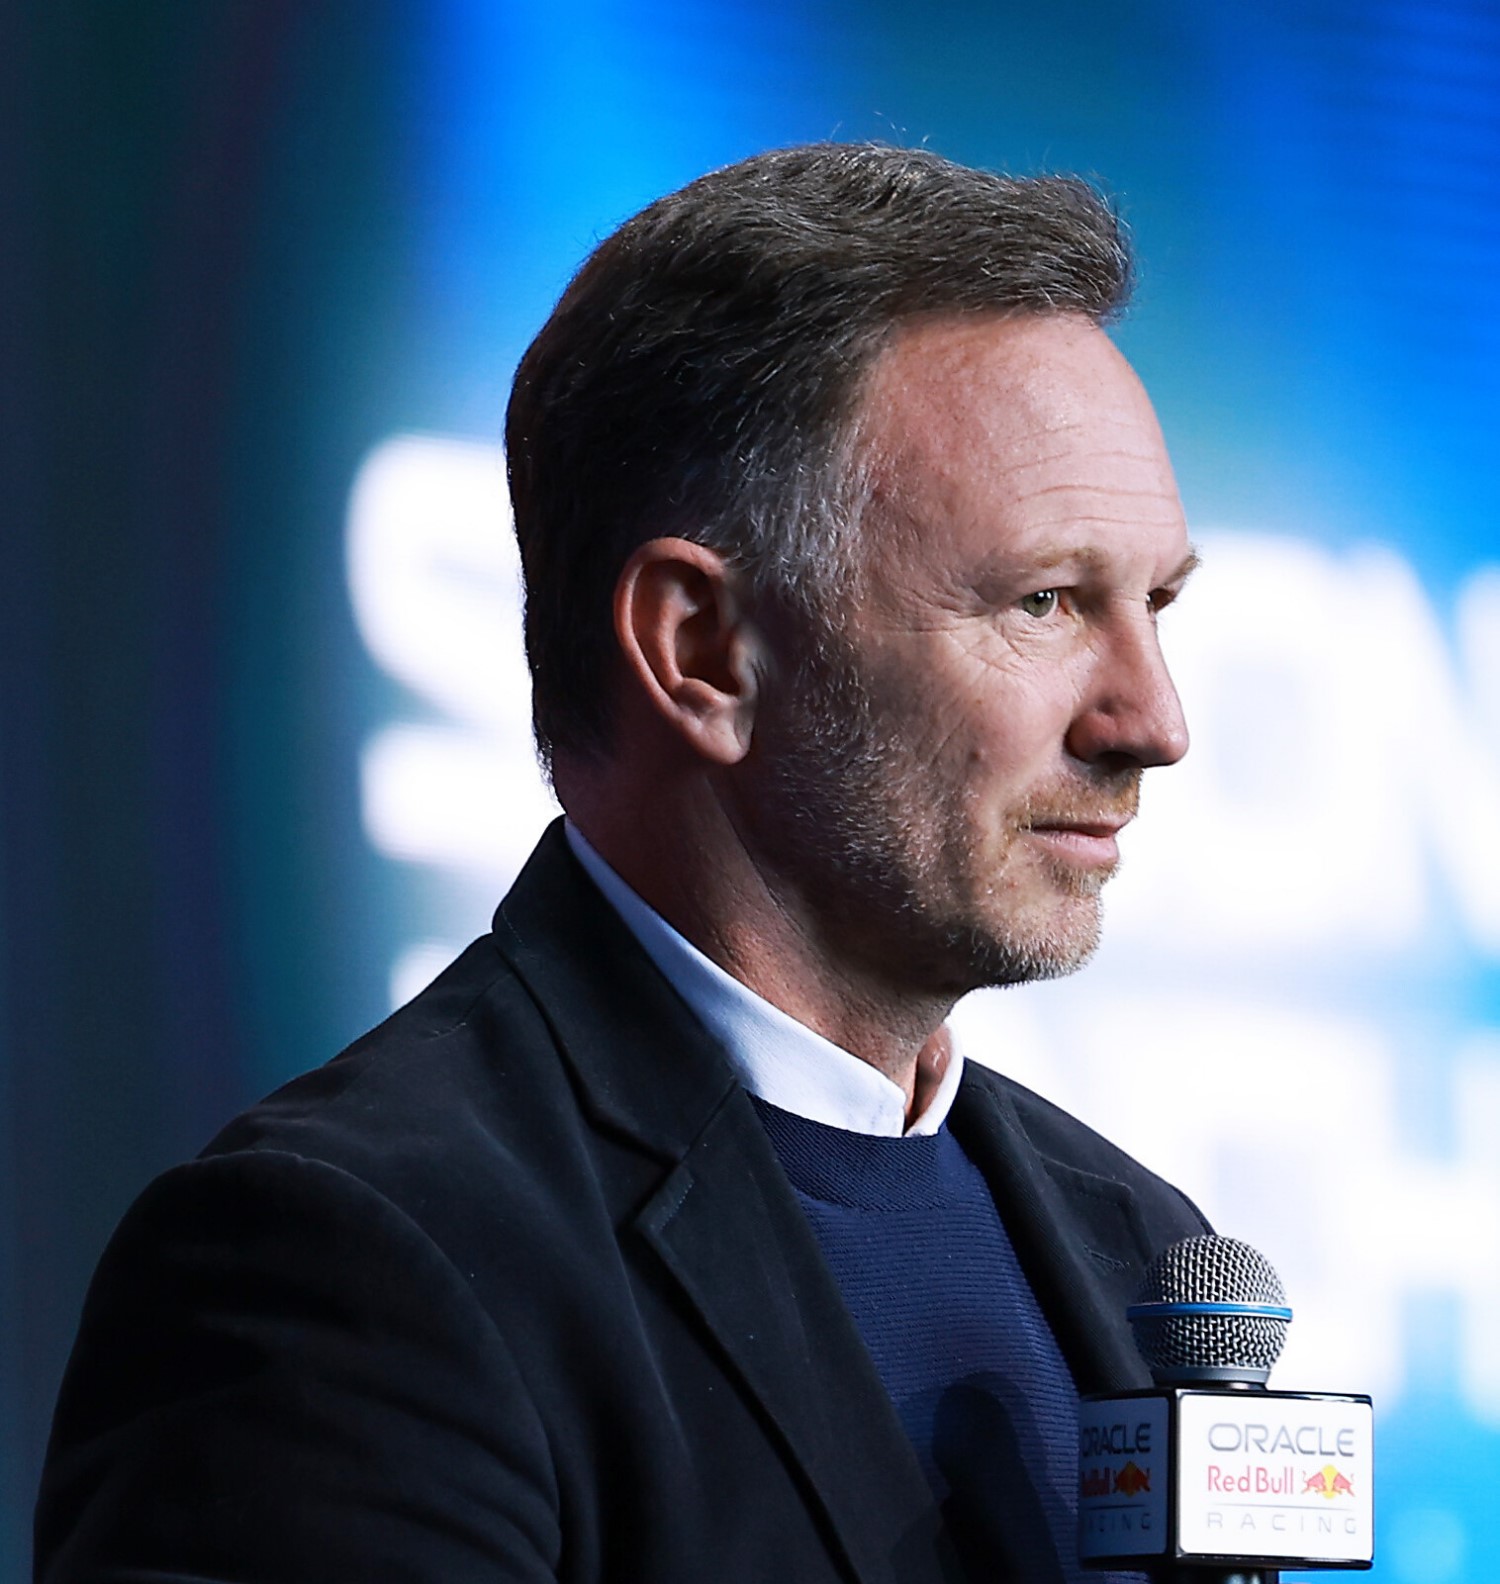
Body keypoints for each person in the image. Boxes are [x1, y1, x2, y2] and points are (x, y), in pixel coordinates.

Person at [36, 143, 1209, 1583]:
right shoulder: (360, 1262)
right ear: (702, 651)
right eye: (1043, 602)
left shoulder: (1145, 1255)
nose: (1154, 723)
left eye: (1155, 603)